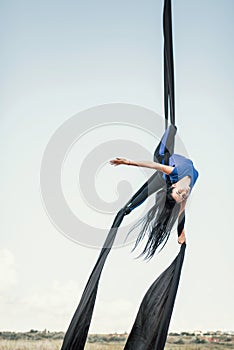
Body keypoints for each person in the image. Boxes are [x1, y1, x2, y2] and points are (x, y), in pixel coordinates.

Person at [109, 125, 199, 259]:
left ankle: (129, 208)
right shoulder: (187, 191)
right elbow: (181, 214)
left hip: (161, 159)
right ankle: (129, 208)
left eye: (179, 192)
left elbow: (154, 165)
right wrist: (181, 233)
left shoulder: (175, 172)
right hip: (164, 175)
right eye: (182, 195)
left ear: (173, 185)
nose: (184, 193)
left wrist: (129, 163)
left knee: (171, 131)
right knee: (149, 188)